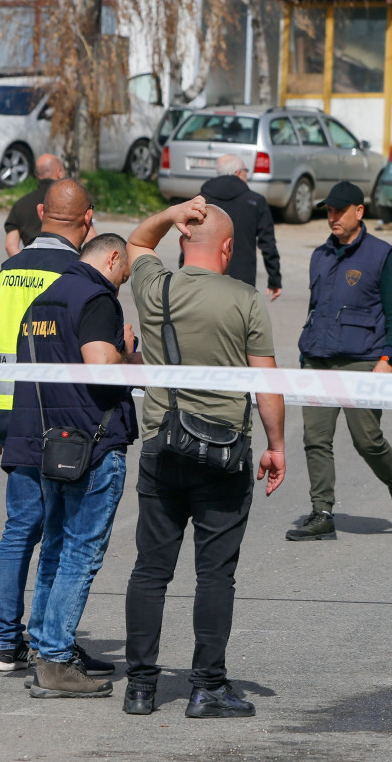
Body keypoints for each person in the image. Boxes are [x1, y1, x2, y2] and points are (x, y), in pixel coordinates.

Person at [122, 197, 287, 718]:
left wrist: (171, 212)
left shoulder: (154, 288)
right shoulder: (245, 298)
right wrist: (276, 446)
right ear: (230, 247)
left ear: (180, 240)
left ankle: (141, 688)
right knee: (215, 575)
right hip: (225, 455)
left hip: (163, 448)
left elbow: (135, 242)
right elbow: (267, 383)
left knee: (151, 570)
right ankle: (206, 687)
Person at [1, 233, 140, 698]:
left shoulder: (42, 300)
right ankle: (56, 660)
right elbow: (101, 364)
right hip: (94, 446)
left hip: (53, 445)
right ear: (113, 257)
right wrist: (127, 350)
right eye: (124, 272)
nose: (123, 282)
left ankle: (43, 650)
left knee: (56, 549)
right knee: (80, 553)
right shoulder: (97, 298)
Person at [0, 179, 98, 673]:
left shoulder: (8, 272)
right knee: (59, 532)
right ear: (88, 219)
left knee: (18, 529)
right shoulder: (78, 272)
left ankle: (3, 643)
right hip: (63, 422)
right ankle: (49, 641)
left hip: (14, 417)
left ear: (38, 212)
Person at [286, 180, 392, 541]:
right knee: (315, 438)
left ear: (359, 212)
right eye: (328, 210)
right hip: (318, 360)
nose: (332, 217)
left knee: (367, 440)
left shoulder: (382, 255)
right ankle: (322, 511)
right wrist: (305, 354)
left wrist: (388, 357)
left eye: (339, 211)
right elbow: (316, 310)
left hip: (363, 360)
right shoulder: (320, 255)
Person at [178, 154, 281, 299]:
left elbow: (189, 237)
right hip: (243, 283)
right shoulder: (256, 202)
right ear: (238, 172)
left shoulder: (200, 200)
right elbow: (268, 243)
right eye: (246, 171)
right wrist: (274, 278)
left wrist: (184, 275)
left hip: (203, 281)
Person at [4, 155, 68, 256]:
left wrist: (25, 265)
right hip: (67, 264)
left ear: (37, 175)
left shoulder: (21, 204)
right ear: (59, 172)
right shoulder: (71, 202)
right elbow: (90, 239)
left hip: (32, 262)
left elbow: (10, 246)